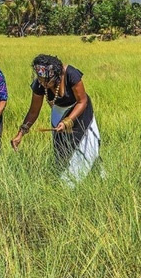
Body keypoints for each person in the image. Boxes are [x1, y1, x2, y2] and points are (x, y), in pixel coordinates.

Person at [11, 54, 100, 185]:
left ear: (57, 75)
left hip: (81, 112)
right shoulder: (40, 84)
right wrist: (20, 134)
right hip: (58, 113)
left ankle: (88, 179)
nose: (44, 84)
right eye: (41, 80)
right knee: (62, 149)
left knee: (85, 146)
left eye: (47, 81)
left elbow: (82, 101)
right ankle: (66, 184)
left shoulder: (71, 74)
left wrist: (68, 121)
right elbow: (33, 111)